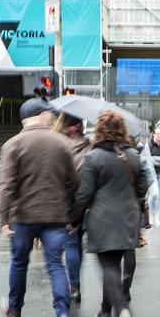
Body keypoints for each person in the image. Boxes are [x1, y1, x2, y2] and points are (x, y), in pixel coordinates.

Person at [0, 98, 78, 317]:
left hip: (23, 217)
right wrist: (72, 214)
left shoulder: (13, 144)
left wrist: (3, 219)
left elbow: (5, 185)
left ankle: (14, 310)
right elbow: (74, 181)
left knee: (19, 263)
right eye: (49, 114)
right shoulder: (62, 143)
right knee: (55, 265)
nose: (52, 117)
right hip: (55, 216)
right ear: (41, 115)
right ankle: (62, 313)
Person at [71, 111, 147, 317]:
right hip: (129, 216)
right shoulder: (133, 154)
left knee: (109, 267)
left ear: (99, 130)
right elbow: (142, 186)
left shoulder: (93, 157)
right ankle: (105, 311)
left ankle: (121, 310)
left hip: (103, 219)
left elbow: (84, 194)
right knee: (115, 265)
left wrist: (74, 220)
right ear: (123, 130)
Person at [53, 113, 92, 304]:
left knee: (70, 244)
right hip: (86, 203)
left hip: (65, 202)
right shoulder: (90, 146)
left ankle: (74, 286)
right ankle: (76, 284)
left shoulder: (58, 145)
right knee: (79, 244)